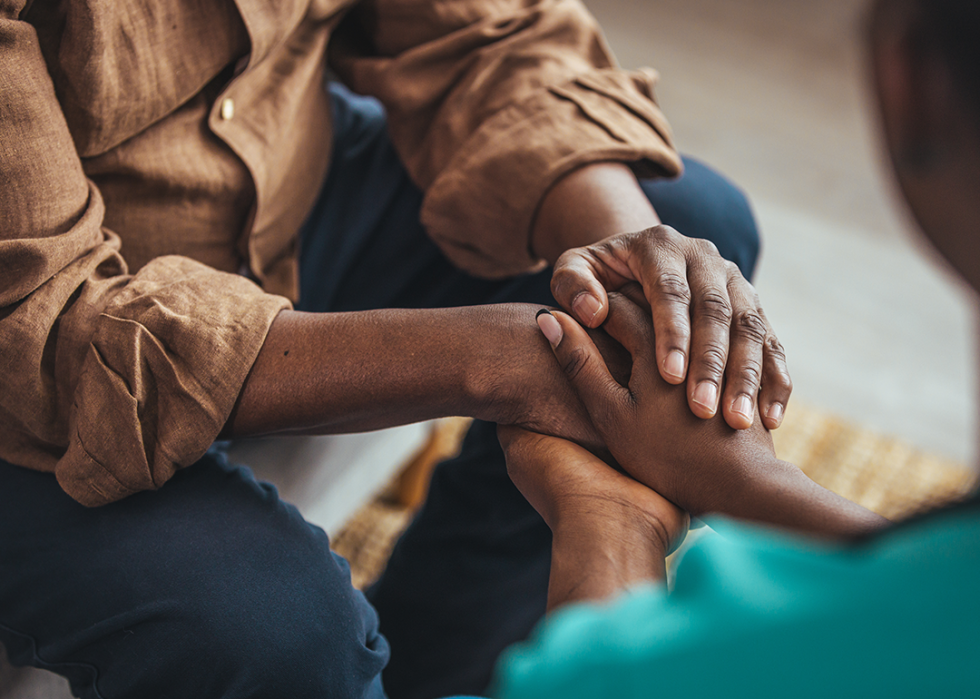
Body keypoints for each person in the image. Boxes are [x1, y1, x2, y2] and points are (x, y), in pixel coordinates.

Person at [0, 1, 792, 698]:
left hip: (280, 194)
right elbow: (44, 311)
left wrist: (623, 266)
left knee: (683, 246)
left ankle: (436, 673)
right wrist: (491, 360)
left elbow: (484, 35)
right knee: (277, 630)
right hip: (33, 345)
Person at [490, 0, 980, 695]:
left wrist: (608, 520)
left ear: (911, 83)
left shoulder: (739, 653)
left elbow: (568, 681)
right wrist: (751, 485)